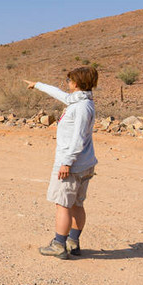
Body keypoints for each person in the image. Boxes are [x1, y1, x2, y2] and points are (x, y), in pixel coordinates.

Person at [23, 66, 99, 259]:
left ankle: (59, 245)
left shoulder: (81, 107)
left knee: (63, 205)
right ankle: (73, 243)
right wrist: (37, 85)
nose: (68, 83)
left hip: (72, 165)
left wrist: (66, 163)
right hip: (83, 163)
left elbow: (78, 139)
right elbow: (61, 95)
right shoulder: (80, 101)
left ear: (77, 82)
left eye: (70, 80)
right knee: (76, 204)